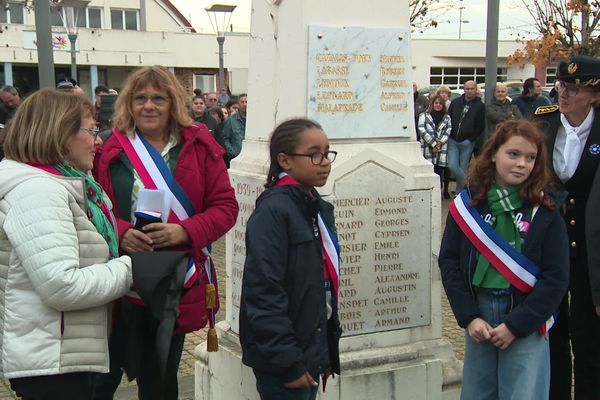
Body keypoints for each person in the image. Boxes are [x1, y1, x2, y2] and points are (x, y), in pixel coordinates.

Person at [93, 65, 239, 400]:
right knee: (101, 381)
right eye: (140, 98)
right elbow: (92, 209)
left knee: (159, 382)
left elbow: (225, 207)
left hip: (173, 282)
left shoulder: (200, 146)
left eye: (158, 98)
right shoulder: (110, 149)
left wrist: (185, 232)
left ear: (173, 103)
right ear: (128, 104)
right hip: (117, 283)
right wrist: (121, 231)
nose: (148, 106)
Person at [0, 88, 133, 399]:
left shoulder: (64, 183)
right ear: (60, 133)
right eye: (91, 129)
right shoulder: (39, 193)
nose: (99, 140)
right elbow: (62, 285)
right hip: (53, 363)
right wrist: (127, 268)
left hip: (63, 352)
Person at [439, 118, 569, 400]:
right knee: (478, 393)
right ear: (494, 153)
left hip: (526, 317)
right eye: (514, 154)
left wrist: (516, 325)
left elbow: (556, 277)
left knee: (524, 393)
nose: (522, 164)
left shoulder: (546, 211)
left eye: (531, 157)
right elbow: (449, 262)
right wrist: (468, 316)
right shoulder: (468, 205)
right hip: (480, 314)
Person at [239, 118, 341, 400]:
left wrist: (322, 352)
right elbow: (264, 292)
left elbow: (318, 285)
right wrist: (288, 363)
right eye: (314, 154)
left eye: (327, 152)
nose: (325, 162)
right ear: (285, 160)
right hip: (285, 360)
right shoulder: (274, 211)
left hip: (308, 349)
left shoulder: (312, 205)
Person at [534, 55, 600, 400]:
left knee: (589, 342)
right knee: (552, 337)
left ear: (594, 95)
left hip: (592, 256)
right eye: (562, 86)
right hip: (551, 252)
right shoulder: (543, 123)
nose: (564, 94)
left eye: (574, 88)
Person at [447, 80, 486, 194]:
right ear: (464, 90)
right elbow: (448, 119)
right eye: (467, 89)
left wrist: (470, 140)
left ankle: (460, 193)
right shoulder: (455, 102)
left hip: (468, 142)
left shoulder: (480, 106)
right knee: (452, 165)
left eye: (471, 89)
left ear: (476, 90)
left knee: (463, 167)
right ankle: (467, 186)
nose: (469, 91)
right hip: (453, 139)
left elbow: (480, 126)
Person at [418, 94, 451, 195]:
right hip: (427, 147)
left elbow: (448, 130)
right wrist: (433, 143)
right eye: (436, 103)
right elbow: (421, 129)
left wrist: (439, 143)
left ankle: (438, 192)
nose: (438, 105)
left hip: (440, 148)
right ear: (432, 104)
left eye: (440, 103)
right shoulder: (424, 115)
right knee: (427, 170)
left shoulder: (447, 117)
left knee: (439, 171)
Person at [222, 93, 247, 167]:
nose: (244, 104)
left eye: (246, 102)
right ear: (238, 104)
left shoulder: (254, 120)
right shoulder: (231, 121)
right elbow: (225, 138)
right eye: (242, 102)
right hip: (236, 158)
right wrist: (232, 152)